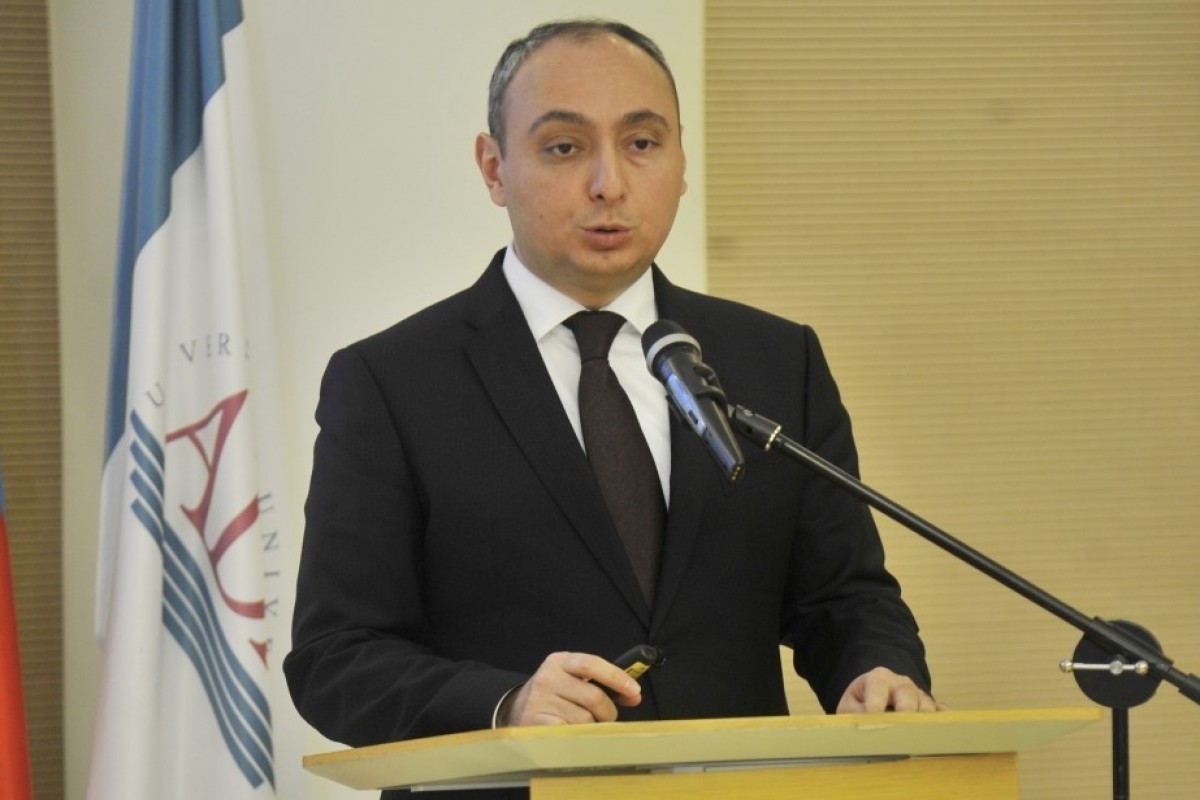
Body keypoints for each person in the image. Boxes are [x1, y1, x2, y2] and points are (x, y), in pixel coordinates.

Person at [284, 18, 937, 798]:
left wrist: (876, 671)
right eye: (564, 147)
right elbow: (336, 657)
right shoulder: (392, 381)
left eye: (642, 143)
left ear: (681, 162)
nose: (609, 184)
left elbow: (844, 597)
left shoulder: (774, 360)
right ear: (494, 168)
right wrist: (503, 705)